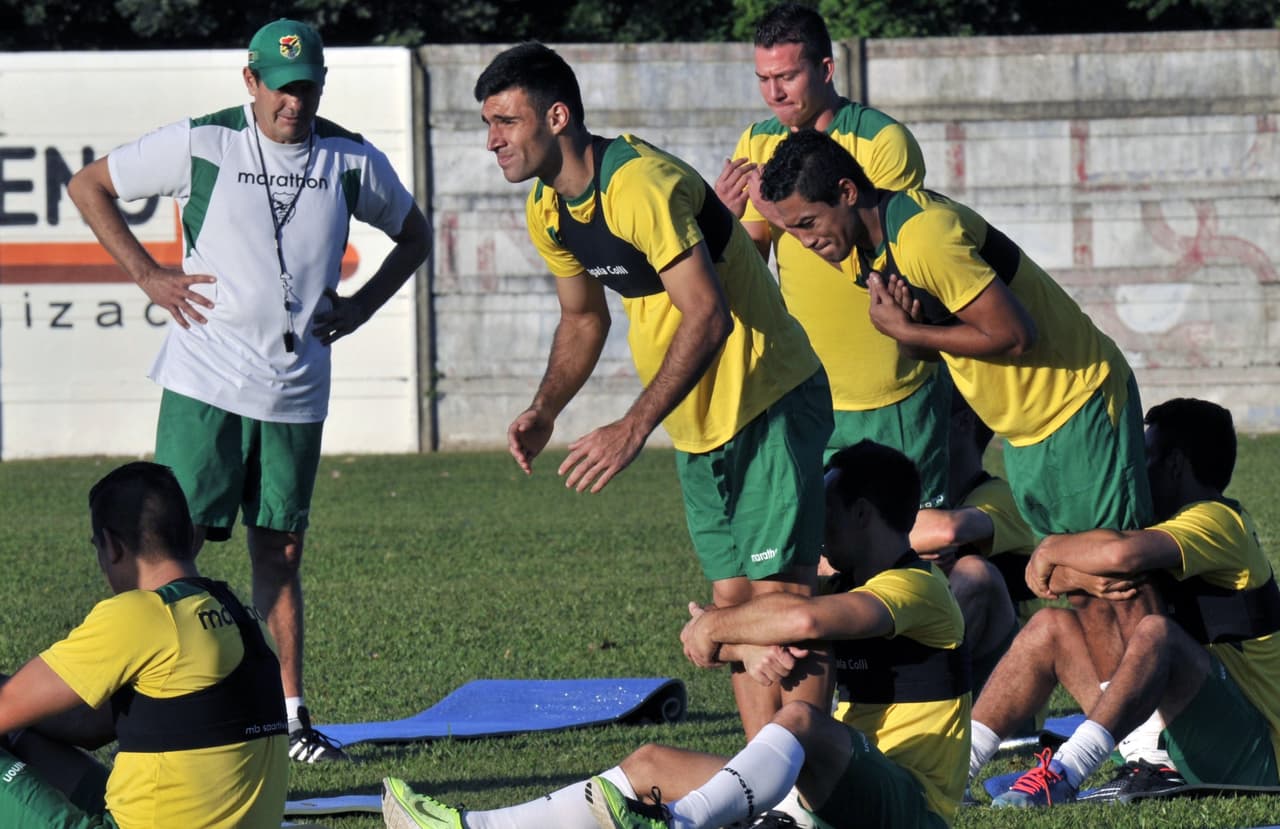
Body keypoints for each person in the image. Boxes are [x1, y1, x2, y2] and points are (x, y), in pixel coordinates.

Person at [68, 17, 432, 762]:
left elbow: (416, 233)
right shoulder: (206, 141)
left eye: (305, 88)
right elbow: (89, 184)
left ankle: (293, 719)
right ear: (250, 82)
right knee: (167, 548)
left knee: (282, 554)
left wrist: (362, 305)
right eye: (278, 88)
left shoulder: (350, 159)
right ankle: (141, 708)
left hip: (295, 393)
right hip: (204, 384)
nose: (291, 104)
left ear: (319, 87)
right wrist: (147, 274)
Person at [474, 41, 833, 739]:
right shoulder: (548, 209)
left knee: (782, 603)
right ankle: (764, 792)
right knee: (733, 609)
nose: (493, 141)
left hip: (769, 399)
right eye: (488, 124)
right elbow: (583, 318)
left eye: (505, 122)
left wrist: (632, 426)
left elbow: (710, 314)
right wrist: (545, 409)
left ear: (556, 117)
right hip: (700, 425)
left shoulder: (638, 184)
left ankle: (813, 792)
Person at [380, 441, 970, 829]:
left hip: (912, 807)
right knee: (649, 763)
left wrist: (715, 626)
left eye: (828, 507)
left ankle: (682, 824)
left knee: (800, 723)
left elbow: (805, 624)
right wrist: (736, 641)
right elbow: (783, 631)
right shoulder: (844, 581)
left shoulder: (917, 588)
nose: (816, 523)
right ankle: (472, 827)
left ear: (863, 513)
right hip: (834, 792)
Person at [756, 127, 1157, 680]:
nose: (804, 242)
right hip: (1025, 429)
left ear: (847, 192)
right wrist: (906, 331)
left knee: (1117, 579)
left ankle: (1157, 738)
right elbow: (928, 349)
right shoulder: (866, 251)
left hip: (1077, 402)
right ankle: (1128, 734)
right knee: (1079, 586)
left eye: (808, 223)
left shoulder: (923, 236)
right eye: (790, 230)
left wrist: (910, 332)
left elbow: (1016, 333)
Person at [968, 398, 1280, 807]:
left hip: (1256, 752)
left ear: (1175, 464)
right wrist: (1065, 564)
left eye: (1145, 456)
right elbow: (1056, 580)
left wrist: (1054, 548)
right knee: (1052, 628)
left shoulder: (1218, 520)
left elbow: (1119, 558)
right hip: (1193, 726)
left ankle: (1065, 773)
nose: (1134, 472)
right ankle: (954, 773)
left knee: (1151, 624)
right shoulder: (1162, 529)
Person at [716, 3, 951, 507]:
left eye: (787, 76)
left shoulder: (882, 142)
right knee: (822, 555)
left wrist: (781, 217)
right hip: (806, 385)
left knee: (919, 548)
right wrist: (720, 224)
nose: (774, 93)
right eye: (763, 78)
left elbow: (892, 272)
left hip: (894, 389)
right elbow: (751, 260)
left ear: (825, 69)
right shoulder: (757, 141)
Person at [0, 461, 289, 828]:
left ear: (111, 545)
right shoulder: (243, 615)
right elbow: (88, 728)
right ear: (186, 532)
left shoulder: (145, 615)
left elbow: (4, 707)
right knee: (25, 737)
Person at [908, 392, 1033, 697]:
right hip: (927, 656)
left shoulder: (1002, 496)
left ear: (964, 422)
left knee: (975, 573)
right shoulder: (912, 507)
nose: (916, 428)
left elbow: (947, 530)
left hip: (998, 689)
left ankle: (915, 703)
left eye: (927, 417)